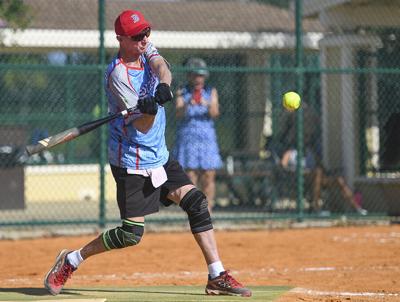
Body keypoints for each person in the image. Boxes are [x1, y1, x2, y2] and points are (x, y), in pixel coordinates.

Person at [43, 9, 251, 298]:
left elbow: (162, 67)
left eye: (145, 33)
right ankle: (72, 260)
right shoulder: (118, 75)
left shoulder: (145, 48)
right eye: (137, 36)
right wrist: (149, 109)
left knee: (196, 202)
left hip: (160, 156)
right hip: (132, 161)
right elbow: (141, 124)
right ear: (121, 39)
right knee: (131, 234)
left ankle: (216, 275)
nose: (144, 39)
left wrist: (163, 86)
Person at [173, 58, 222, 211]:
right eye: (195, 75)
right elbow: (179, 113)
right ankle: (193, 212)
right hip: (188, 137)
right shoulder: (182, 90)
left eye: (201, 76)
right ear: (189, 76)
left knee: (208, 175)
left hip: (207, 138)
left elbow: (215, 113)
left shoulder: (211, 91)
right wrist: (189, 103)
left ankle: (207, 210)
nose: (198, 79)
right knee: (190, 176)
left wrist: (206, 104)